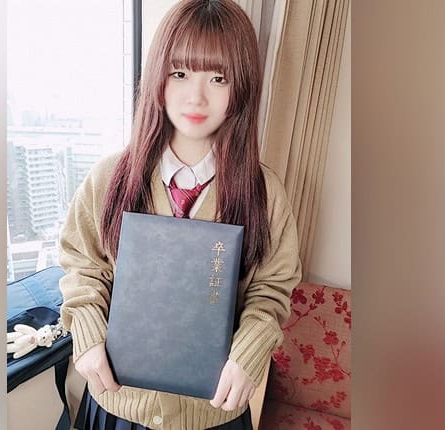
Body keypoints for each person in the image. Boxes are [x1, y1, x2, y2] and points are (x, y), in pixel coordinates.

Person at [59, 0, 302, 428]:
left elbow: (272, 287)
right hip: (119, 405)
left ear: (242, 87)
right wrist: (89, 333)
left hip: (212, 412)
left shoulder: (264, 192)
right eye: (180, 73)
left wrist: (250, 351)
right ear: (158, 76)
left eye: (218, 78)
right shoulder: (109, 177)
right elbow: (83, 265)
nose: (196, 96)